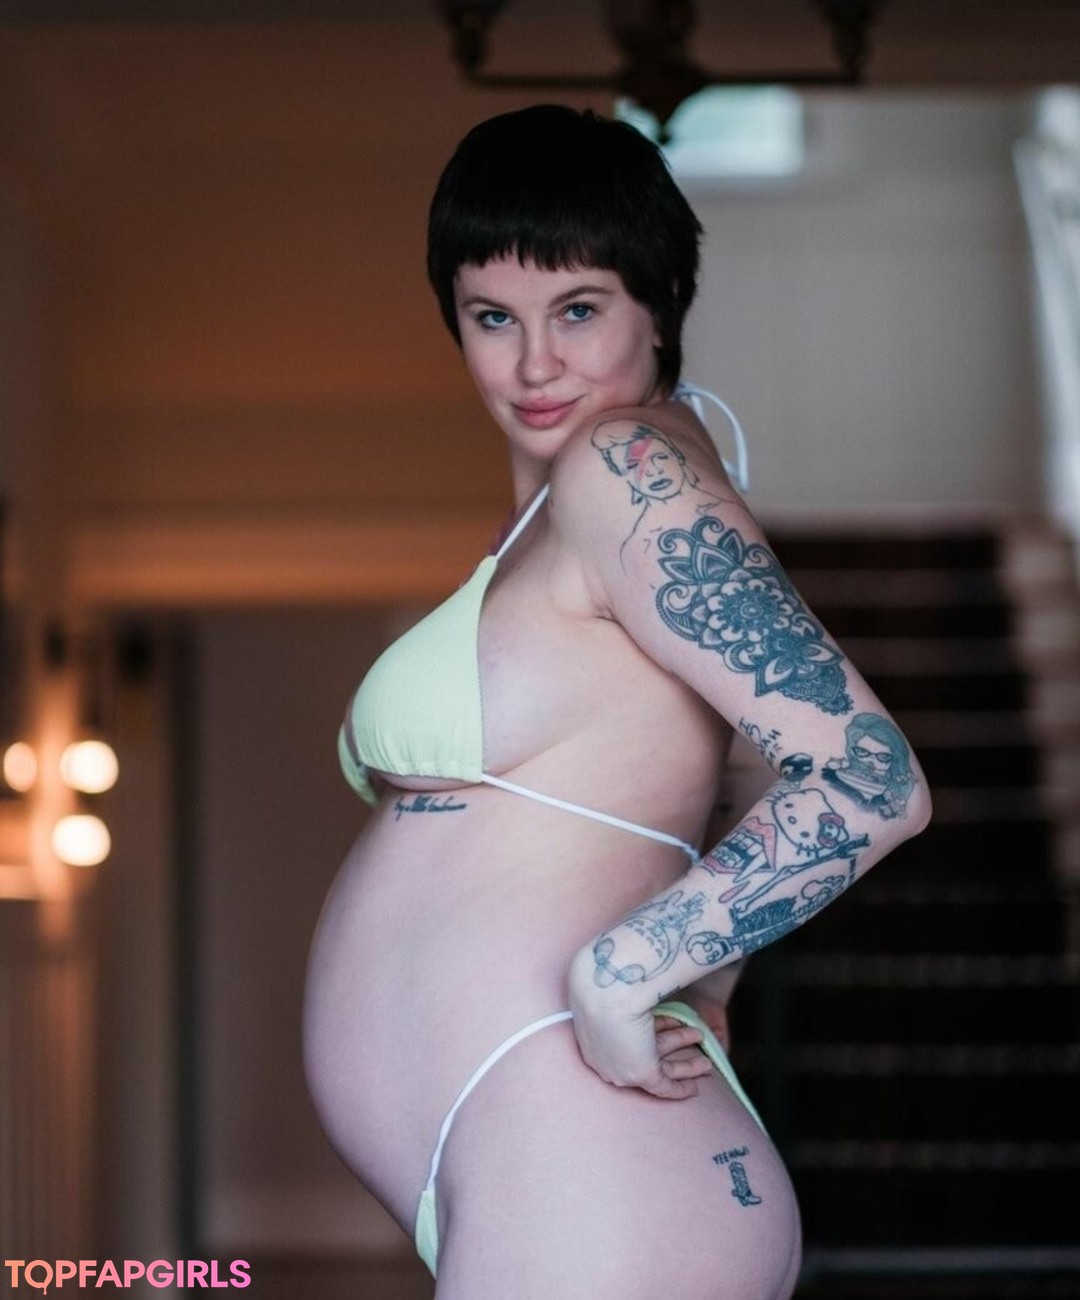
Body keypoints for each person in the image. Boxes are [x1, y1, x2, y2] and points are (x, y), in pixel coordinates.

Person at [303, 104, 931, 1298]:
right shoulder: (579, 500)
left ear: (659, 305)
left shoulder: (624, 471)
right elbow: (743, 760)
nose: (535, 363)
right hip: (552, 1158)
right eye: (494, 316)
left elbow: (869, 780)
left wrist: (636, 966)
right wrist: (711, 975)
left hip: (591, 1166)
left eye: (579, 309)